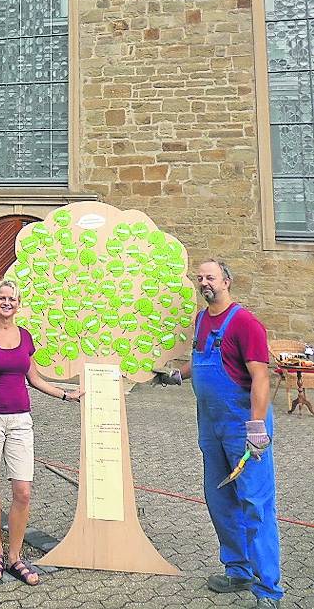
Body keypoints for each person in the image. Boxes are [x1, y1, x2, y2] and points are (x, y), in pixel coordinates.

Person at [154, 259, 282, 608]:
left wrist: (257, 427)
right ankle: (238, 569)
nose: (204, 282)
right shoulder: (200, 321)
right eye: (200, 278)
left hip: (244, 427)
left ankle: (269, 589)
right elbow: (201, 361)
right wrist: (176, 375)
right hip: (210, 426)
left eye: (210, 277)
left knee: (255, 504)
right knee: (220, 500)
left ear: (226, 281)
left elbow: (261, 377)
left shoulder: (245, 322)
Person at [0, 279, 81, 584]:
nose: (7, 303)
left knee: (23, 491)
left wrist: (66, 395)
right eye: (2, 298)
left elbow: (35, 379)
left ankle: (15, 557)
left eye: (12, 299)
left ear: (18, 304)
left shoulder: (25, 337)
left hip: (20, 421)